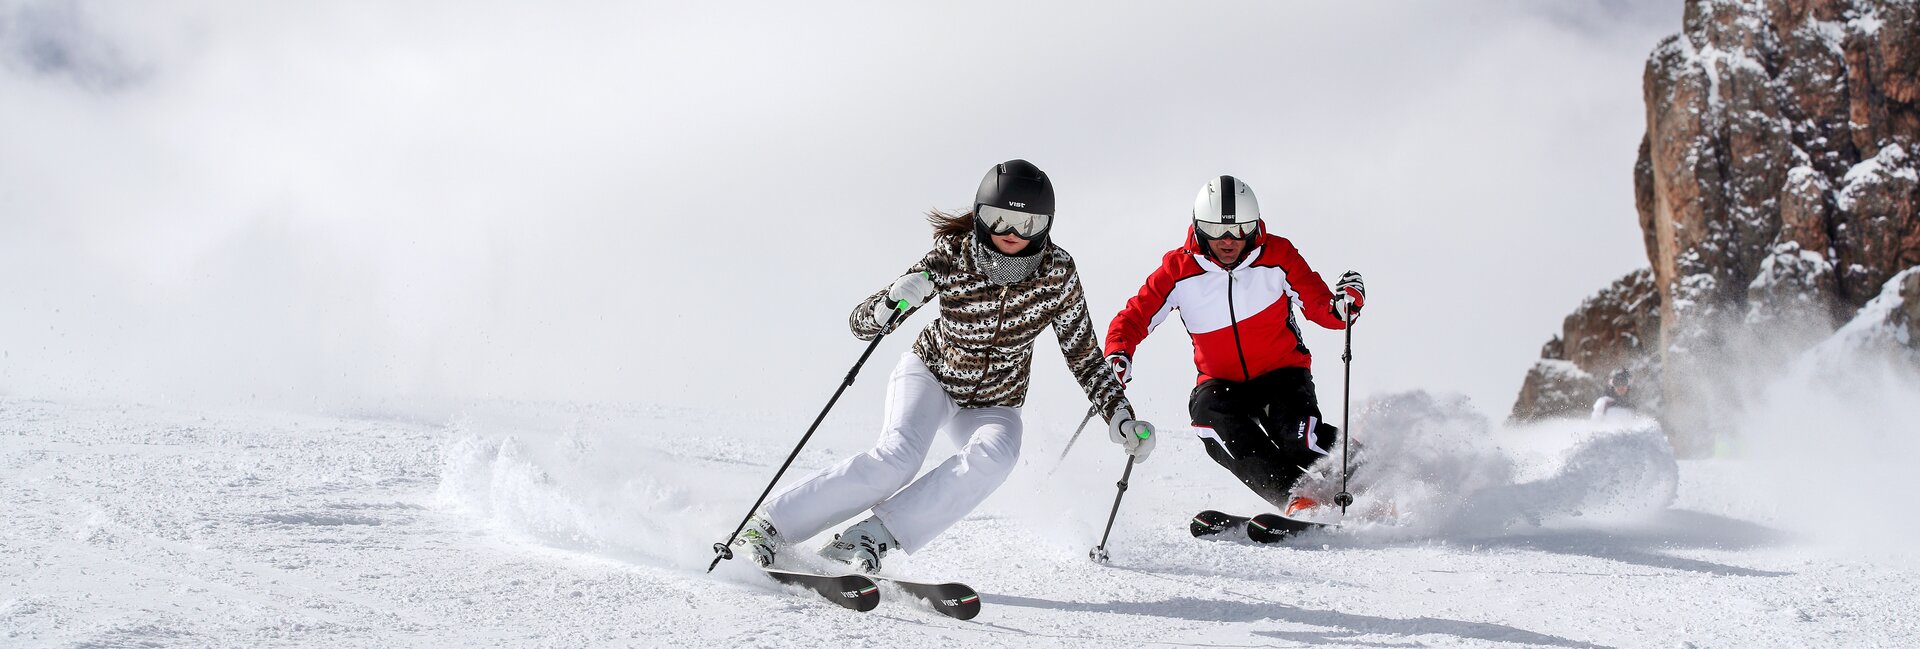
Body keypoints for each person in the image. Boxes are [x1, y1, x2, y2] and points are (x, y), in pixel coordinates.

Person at [734, 159, 1157, 572]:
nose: (1011, 233)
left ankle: (870, 537)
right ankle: (770, 525)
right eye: (999, 218)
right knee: (896, 460)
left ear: (1046, 225)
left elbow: (1082, 355)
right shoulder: (952, 255)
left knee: (997, 456)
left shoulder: (1058, 274)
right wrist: (890, 302)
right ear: (979, 216)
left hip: (997, 399)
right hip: (932, 374)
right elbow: (860, 325)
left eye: (1027, 224)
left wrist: (1119, 414)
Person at [1103, 175, 1365, 529]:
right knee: (1209, 419)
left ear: (1254, 226)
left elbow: (1320, 306)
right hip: (1222, 381)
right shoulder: (1178, 270)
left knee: (1296, 435)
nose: (1229, 241)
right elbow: (1133, 318)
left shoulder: (1277, 255)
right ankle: (1299, 497)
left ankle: (1375, 472)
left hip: (1282, 373)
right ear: (1198, 227)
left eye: (1240, 229)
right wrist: (1119, 352)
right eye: (1216, 230)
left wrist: (1342, 308)